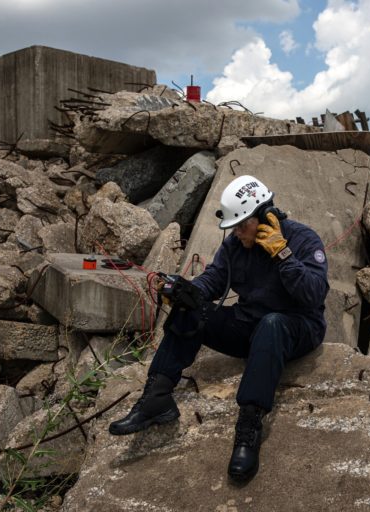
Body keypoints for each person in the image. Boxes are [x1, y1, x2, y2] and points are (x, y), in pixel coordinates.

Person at [109, 174, 330, 482]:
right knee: (191, 309)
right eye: (233, 227)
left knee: (272, 323)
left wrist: (282, 254)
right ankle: (157, 400)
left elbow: (314, 293)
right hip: (249, 327)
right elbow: (212, 280)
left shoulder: (302, 240)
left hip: (296, 327)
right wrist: (186, 290)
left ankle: (248, 428)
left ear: (265, 216)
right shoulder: (236, 247)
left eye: (242, 225)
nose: (237, 233)